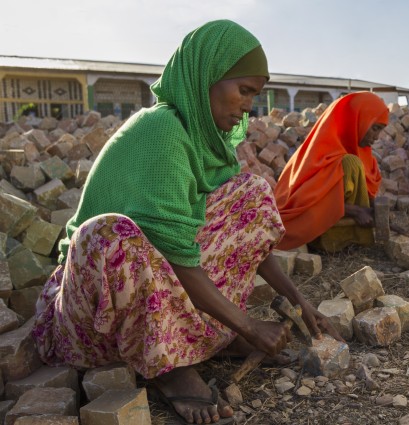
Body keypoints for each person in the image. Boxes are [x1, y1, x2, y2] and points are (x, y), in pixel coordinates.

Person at [32, 20, 340, 425]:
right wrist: (249, 326)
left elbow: (250, 235)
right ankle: (170, 369)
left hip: (154, 298)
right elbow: (176, 255)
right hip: (90, 321)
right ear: (206, 76)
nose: (249, 106)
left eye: (255, 95)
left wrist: (302, 304)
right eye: (243, 90)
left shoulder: (206, 140)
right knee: (108, 235)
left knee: (251, 193)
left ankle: (200, 338)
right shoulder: (161, 129)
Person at [273, 91, 388, 252]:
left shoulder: (367, 157)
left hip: (342, 225)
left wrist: (381, 216)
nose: (377, 137)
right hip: (312, 228)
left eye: (380, 130)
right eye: (375, 128)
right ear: (358, 119)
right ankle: (337, 241)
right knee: (351, 163)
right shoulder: (322, 150)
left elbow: (366, 196)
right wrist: (355, 211)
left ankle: (351, 238)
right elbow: (307, 201)